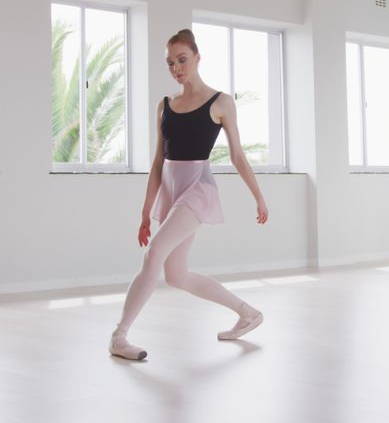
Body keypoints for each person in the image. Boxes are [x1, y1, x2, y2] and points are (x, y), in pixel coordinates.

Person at [109, 28, 269, 361]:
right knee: (176, 275)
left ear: (197, 57)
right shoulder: (165, 105)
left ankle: (119, 335)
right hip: (170, 187)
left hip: (198, 187)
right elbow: (157, 161)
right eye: (170, 63)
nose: (177, 68)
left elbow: (238, 155)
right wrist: (145, 212)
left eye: (182, 60)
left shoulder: (221, 102)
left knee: (154, 255)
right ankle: (248, 313)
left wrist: (259, 196)